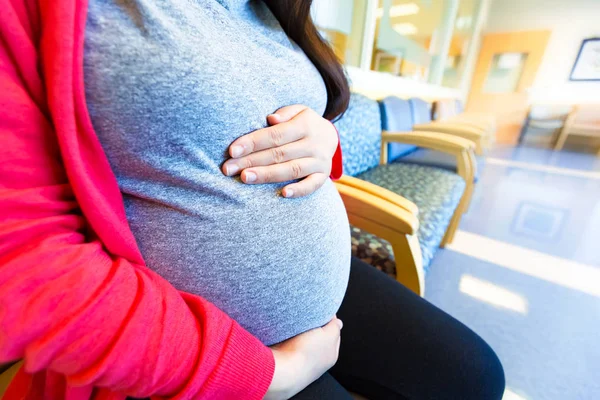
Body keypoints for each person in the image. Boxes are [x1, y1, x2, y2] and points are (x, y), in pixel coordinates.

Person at [0, 0, 505, 399]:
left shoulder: (274, 10)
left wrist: (325, 140)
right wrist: (264, 376)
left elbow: (257, 128)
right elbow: (23, 260)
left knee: (472, 376)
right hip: (186, 334)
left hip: (321, 293)